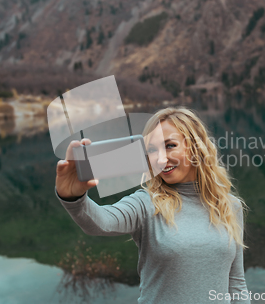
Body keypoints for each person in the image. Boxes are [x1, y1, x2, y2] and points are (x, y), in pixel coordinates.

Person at [55, 107, 251, 303]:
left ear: (196, 147)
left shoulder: (229, 206)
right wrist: (73, 197)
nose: (161, 158)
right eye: (151, 150)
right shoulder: (146, 203)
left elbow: (236, 284)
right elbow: (101, 222)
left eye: (170, 145)